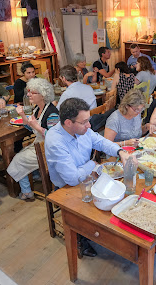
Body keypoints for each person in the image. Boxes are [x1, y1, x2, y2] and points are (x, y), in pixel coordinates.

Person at [45, 97, 130, 257]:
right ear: (68, 123)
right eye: (84, 122)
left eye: (88, 120)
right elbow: (71, 178)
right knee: (103, 203)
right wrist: (93, 164)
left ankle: (103, 233)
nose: (89, 125)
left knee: (118, 195)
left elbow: (101, 142)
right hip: (66, 188)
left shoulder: (82, 129)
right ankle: (82, 238)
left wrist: (121, 152)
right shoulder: (55, 141)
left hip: (87, 176)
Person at [7, 78, 59, 201]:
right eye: (29, 91)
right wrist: (23, 115)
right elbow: (30, 126)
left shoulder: (52, 113)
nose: (29, 94)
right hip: (39, 144)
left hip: (49, 150)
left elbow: (54, 138)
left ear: (43, 95)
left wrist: (37, 127)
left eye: (33, 92)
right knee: (20, 155)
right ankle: (37, 174)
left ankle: (26, 192)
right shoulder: (37, 109)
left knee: (17, 160)